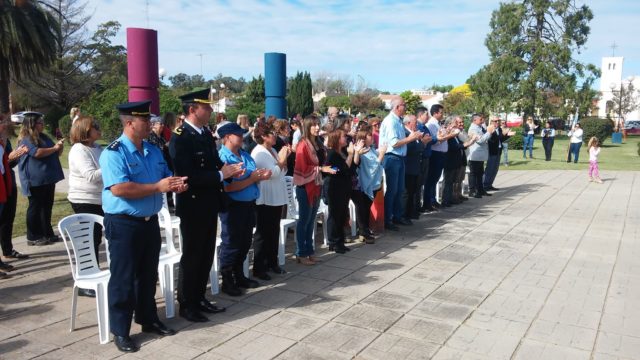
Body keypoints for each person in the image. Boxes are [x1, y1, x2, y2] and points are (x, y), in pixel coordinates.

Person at [100, 100, 188, 353]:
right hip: (124, 224)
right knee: (123, 279)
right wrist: (157, 188)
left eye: (150, 120)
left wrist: (176, 184)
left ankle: (148, 319)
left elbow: (164, 177)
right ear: (129, 123)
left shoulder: (152, 150)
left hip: (149, 223)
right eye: (145, 120)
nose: (151, 124)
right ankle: (120, 330)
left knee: (148, 276)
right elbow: (119, 188)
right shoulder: (114, 153)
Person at [169, 89, 242, 321]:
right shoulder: (181, 137)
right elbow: (186, 175)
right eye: (206, 107)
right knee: (192, 255)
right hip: (193, 205)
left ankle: (199, 297)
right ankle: (187, 303)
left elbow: (215, 163)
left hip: (209, 203)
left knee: (206, 253)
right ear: (192, 110)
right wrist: (220, 175)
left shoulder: (205, 134)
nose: (211, 110)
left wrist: (230, 171)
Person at [218, 122, 272, 296]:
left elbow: (252, 175)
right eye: (238, 135)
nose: (242, 137)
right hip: (233, 206)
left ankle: (239, 275)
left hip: (248, 203)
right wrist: (252, 178)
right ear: (227, 137)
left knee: (244, 242)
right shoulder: (223, 157)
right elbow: (229, 187)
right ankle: (227, 279)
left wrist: (260, 176)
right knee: (232, 242)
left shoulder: (244, 155)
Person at [67, 116, 104, 297]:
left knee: (96, 239)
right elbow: (90, 175)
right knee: (89, 240)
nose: (98, 129)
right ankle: (85, 282)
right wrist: (112, 165)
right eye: (94, 127)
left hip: (99, 199)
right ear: (85, 131)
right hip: (84, 199)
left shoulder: (97, 148)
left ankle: (93, 275)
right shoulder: (78, 150)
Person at [18, 112, 65, 246]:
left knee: (46, 207)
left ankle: (47, 233)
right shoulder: (26, 139)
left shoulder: (44, 137)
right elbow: (36, 153)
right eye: (40, 122)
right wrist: (54, 148)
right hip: (34, 180)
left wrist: (58, 148)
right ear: (32, 124)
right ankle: (33, 236)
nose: (42, 125)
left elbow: (55, 152)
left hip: (48, 178)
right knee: (35, 207)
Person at [251, 122, 290, 279]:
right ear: (263, 136)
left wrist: (283, 161)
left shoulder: (272, 150)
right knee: (263, 233)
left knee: (274, 231)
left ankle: (272, 262)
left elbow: (283, 170)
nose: (275, 135)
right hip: (266, 197)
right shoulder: (259, 152)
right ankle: (259, 267)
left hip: (276, 195)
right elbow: (272, 172)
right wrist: (281, 161)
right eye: (271, 133)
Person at [293, 116, 335, 265]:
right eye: (314, 125)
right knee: (304, 222)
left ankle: (309, 252)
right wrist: (321, 168)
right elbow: (302, 168)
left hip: (316, 185)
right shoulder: (302, 145)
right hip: (305, 187)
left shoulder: (317, 143)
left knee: (311, 222)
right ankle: (301, 253)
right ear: (307, 126)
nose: (317, 128)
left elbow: (322, 161)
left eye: (318, 125)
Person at [379, 96, 422, 230]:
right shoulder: (391, 121)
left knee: (399, 190)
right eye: (403, 105)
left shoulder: (398, 121)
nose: (405, 107)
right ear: (397, 107)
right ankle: (388, 219)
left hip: (399, 158)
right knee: (392, 190)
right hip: (392, 157)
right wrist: (411, 138)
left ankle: (397, 216)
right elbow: (394, 143)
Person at [0, 115, 29, 263]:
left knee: (8, 218)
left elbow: (8, 164)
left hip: (8, 183)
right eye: (2, 122)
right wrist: (10, 157)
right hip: (1, 186)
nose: (5, 125)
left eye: (4, 122)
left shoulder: (5, 140)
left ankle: (8, 250)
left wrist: (15, 157)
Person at [325, 130, 358, 254]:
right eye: (344, 137)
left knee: (342, 214)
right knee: (335, 215)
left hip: (344, 186)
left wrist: (355, 154)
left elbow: (351, 169)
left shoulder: (342, 152)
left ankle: (340, 241)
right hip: (335, 187)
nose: (346, 139)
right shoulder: (332, 154)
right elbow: (341, 169)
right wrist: (350, 155)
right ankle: (333, 242)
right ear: (337, 139)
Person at [353, 126, 385, 243]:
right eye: (369, 135)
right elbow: (372, 168)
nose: (372, 137)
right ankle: (363, 232)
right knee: (363, 209)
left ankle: (364, 230)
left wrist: (380, 152)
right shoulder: (362, 152)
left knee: (367, 208)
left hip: (374, 184)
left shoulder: (370, 148)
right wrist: (381, 155)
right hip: (365, 185)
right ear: (363, 138)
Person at [467, 114, 495, 198]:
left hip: (480, 156)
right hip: (475, 155)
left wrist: (489, 133)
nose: (483, 120)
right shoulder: (473, 128)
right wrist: (489, 132)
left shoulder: (479, 127)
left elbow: (484, 138)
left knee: (480, 173)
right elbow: (480, 140)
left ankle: (480, 189)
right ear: (474, 120)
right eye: (480, 119)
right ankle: (472, 190)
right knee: (474, 174)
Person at [402, 115, 424, 219]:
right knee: (408, 192)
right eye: (415, 122)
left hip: (415, 167)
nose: (417, 124)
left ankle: (412, 211)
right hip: (408, 167)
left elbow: (420, 148)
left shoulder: (413, 134)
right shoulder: (405, 133)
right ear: (408, 123)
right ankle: (406, 214)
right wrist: (421, 142)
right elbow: (411, 149)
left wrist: (421, 142)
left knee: (413, 191)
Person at [483, 117, 512, 191]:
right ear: (491, 122)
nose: (497, 122)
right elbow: (493, 139)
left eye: (498, 121)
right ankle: (485, 184)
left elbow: (501, 139)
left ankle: (490, 184)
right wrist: (504, 133)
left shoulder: (499, 129)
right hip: (492, 151)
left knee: (495, 169)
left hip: (498, 150)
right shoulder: (490, 129)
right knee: (490, 168)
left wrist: (508, 135)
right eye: (495, 121)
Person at [415, 107, 435, 213]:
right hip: (421, 157)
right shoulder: (419, 127)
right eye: (426, 114)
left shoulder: (425, 127)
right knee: (418, 184)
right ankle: (417, 207)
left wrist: (434, 138)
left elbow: (429, 139)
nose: (428, 117)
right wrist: (435, 138)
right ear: (420, 115)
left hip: (426, 156)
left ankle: (420, 205)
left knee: (422, 182)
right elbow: (423, 140)